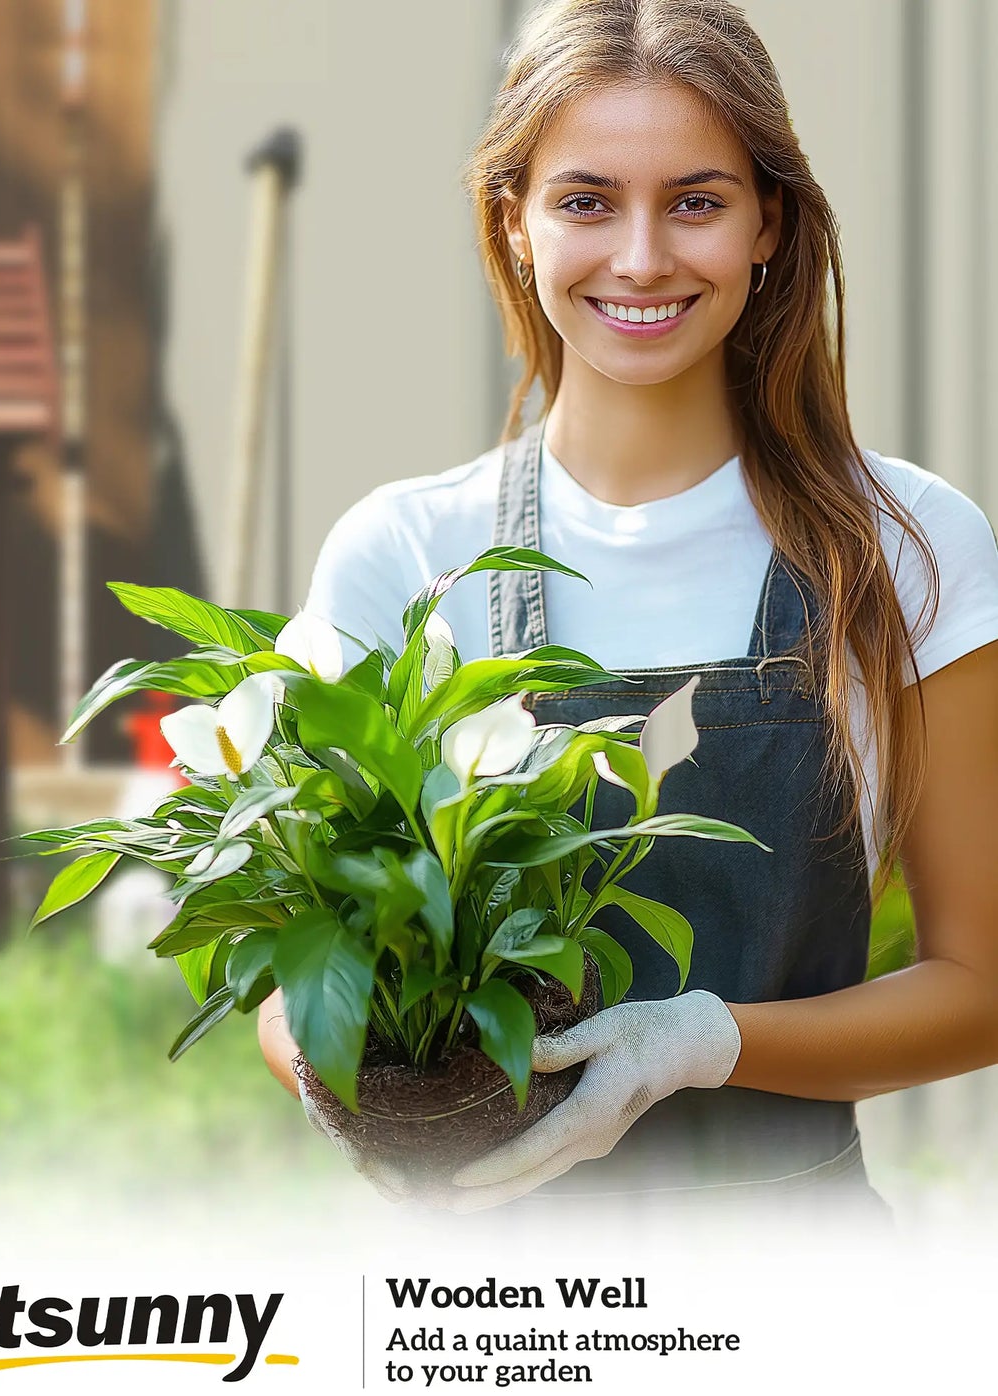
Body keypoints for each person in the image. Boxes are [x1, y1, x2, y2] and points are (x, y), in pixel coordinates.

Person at [257, 0, 998, 1212]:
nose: (642, 258)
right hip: (493, 1285)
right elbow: (305, 981)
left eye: (695, 202)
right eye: (586, 201)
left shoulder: (901, 548)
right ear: (515, 221)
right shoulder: (406, 551)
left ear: (766, 223)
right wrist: (360, 1093)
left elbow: (977, 986)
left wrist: (703, 1041)